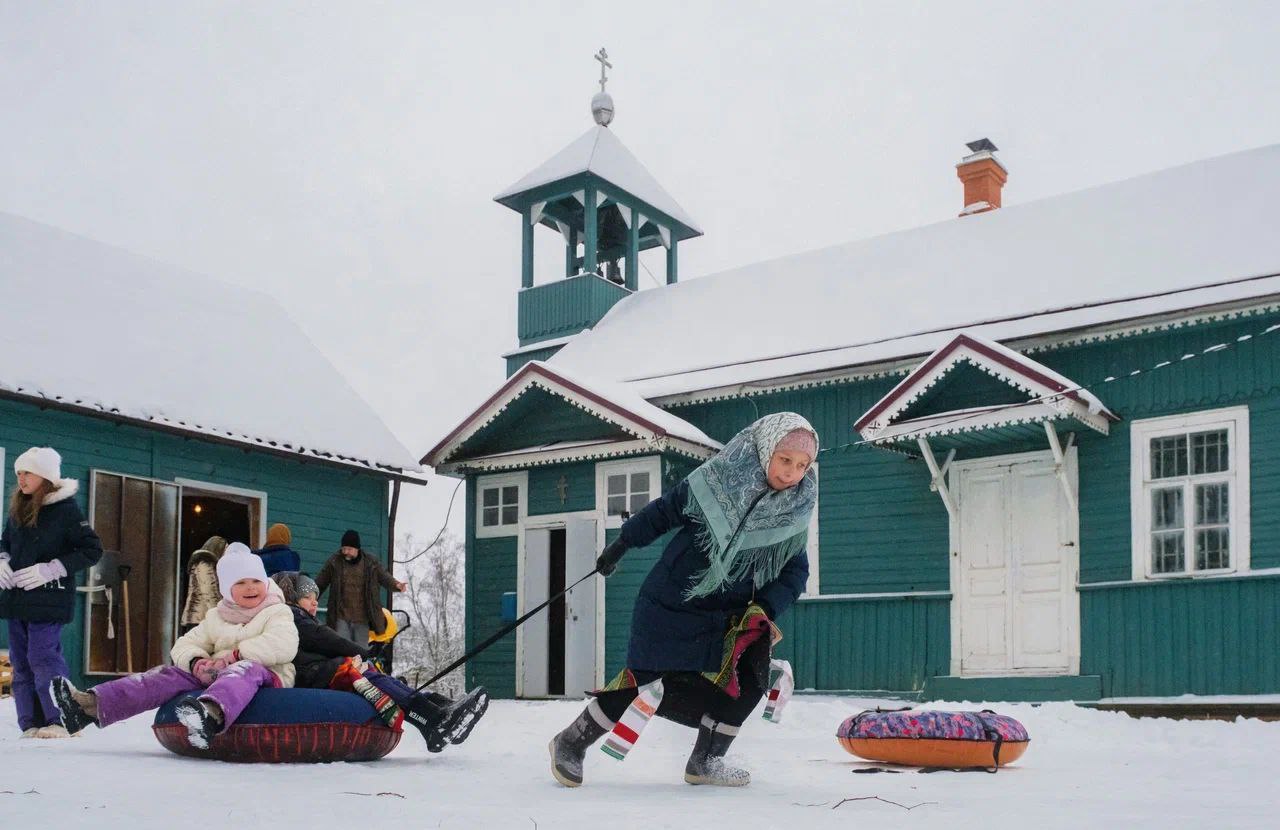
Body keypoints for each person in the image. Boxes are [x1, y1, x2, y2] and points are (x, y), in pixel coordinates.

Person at [548, 413, 818, 788]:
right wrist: (623, 543)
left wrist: (766, 608)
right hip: (673, 600)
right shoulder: (715, 479)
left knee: (750, 677)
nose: (792, 473)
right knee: (644, 681)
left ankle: (705, 761)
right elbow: (663, 512)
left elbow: (795, 573)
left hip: (731, 617)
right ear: (763, 450)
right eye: (785, 460)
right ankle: (571, 741)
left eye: (802, 465)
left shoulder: (797, 509)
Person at [51, 543, 299, 748]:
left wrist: (235, 655)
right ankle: (87, 707)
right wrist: (197, 662)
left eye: (255, 580)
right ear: (226, 589)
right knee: (167, 675)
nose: (250, 587)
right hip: (216, 673)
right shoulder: (217, 616)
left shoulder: (276, 611)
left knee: (244, 669)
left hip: (265, 674)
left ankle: (209, 716)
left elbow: (284, 644)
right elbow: (185, 643)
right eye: (240, 582)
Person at [272, 571, 489, 752]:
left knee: (376, 675)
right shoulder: (291, 615)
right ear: (290, 596)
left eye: (315, 596)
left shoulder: (298, 617)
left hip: (321, 670)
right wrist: (361, 653)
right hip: (314, 674)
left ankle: (438, 706)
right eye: (308, 596)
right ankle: (433, 718)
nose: (314, 601)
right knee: (368, 674)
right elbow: (325, 639)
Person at [0, 447, 103, 739]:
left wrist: (53, 568)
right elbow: (4, 541)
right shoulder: (17, 509)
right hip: (17, 598)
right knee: (20, 660)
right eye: (18, 472)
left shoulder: (65, 510)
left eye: (27, 473)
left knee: (42, 655)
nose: (21, 479)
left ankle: (61, 719)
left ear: (44, 476)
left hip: (49, 598)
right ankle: (30, 723)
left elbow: (92, 549)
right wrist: (2, 560)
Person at [315, 529, 406, 644]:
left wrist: (396, 585)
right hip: (340, 618)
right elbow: (320, 582)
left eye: (349, 549)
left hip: (362, 619)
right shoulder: (334, 562)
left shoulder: (370, 563)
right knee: (342, 650)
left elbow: (384, 577)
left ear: (357, 548)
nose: (346, 552)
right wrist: (310, 595)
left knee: (360, 653)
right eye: (344, 549)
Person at [180, 535, 228, 630]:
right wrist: (219, 615)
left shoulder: (205, 563)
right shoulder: (204, 563)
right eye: (225, 548)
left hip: (200, 616)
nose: (226, 553)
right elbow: (208, 590)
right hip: (200, 617)